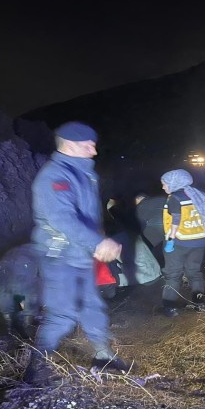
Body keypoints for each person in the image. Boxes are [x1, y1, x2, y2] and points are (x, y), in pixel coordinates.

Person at [24, 121, 131, 385]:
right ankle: (37, 367)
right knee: (62, 313)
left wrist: (97, 240)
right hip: (59, 255)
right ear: (70, 145)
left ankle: (103, 355)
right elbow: (61, 218)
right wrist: (97, 243)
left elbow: (87, 216)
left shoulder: (82, 173)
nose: (94, 151)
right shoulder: (55, 176)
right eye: (88, 146)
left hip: (80, 253)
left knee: (92, 305)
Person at [159, 169, 205, 317]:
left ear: (174, 183)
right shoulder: (198, 195)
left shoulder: (175, 198)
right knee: (194, 273)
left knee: (173, 274)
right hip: (199, 241)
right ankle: (199, 304)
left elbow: (175, 220)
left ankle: (170, 307)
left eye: (164, 184)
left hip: (179, 242)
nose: (163, 187)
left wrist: (170, 240)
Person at [0, 243, 42, 340]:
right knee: (16, 304)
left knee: (21, 304)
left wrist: (28, 316)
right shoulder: (0, 279)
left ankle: (20, 327)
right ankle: (15, 329)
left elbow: (30, 295)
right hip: (15, 279)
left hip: (22, 272)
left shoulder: (21, 273)